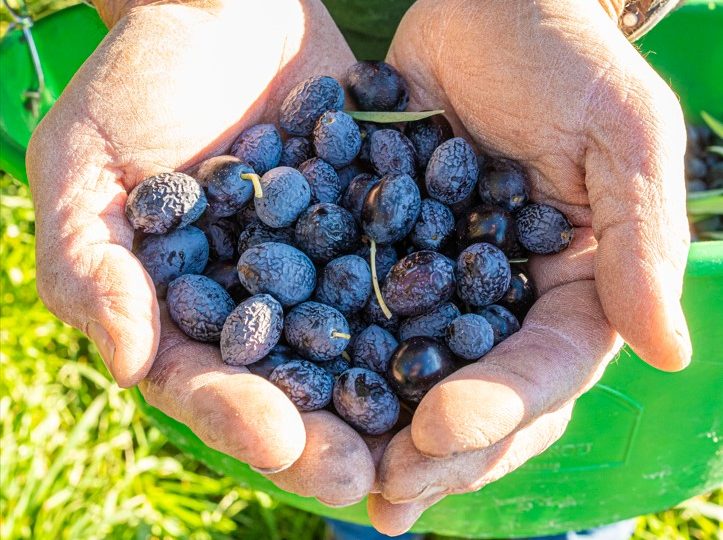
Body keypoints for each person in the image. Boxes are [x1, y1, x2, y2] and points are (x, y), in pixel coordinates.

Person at [26, 0, 691, 537]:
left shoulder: (428, 229)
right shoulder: (299, 225)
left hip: (491, 37)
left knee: (521, 468)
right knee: (353, 468)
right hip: (259, 44)